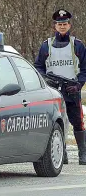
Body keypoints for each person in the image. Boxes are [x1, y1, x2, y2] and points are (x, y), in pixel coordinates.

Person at [34, 9, 86, 165]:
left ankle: (83, 153)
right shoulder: (46, 46)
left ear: (69, 25)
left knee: (77, 121)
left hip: (72, 89)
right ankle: (62, 153)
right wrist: (46, 81)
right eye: (59, 24)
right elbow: (38, 67)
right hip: (54, 91)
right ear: (54, 26)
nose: (62, 27)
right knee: (58, 121)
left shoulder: (77, 45)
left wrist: (78, 85)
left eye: (65, 24)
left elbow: (84, 68)